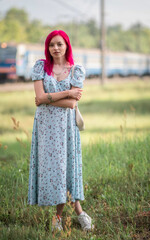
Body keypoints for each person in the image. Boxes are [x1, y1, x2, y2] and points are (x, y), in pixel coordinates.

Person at [28, 30, 94, 232]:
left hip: (66, 128)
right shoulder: (41, 67)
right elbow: (39, 98)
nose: (55, 48)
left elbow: (72, 105)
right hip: (46, 128)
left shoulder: (76, 70)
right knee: (55, 170)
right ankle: (76, 214)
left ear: (67, 46)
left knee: (67, 168)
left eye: (59, 44)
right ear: (47, 48)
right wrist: (67, 92)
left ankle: (66, 216)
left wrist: (50, 98)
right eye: (51, 45)